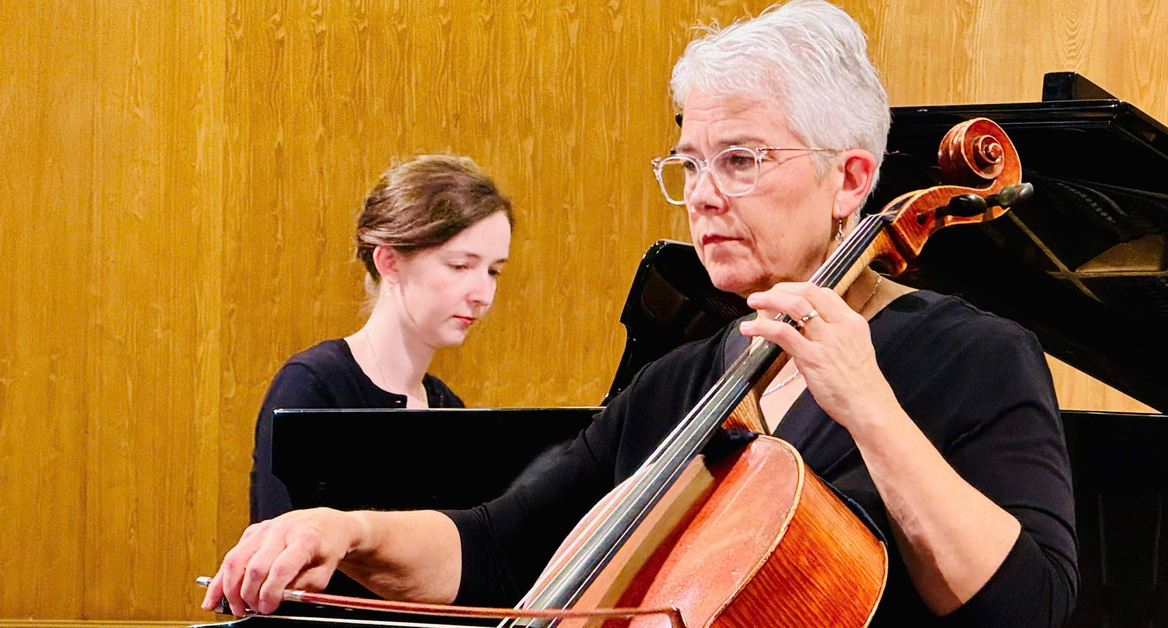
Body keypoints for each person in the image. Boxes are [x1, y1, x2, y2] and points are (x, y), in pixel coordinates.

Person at [207, 2, 1077, 625]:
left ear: (850, 179)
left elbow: (1029, 604)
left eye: (739, 160)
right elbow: (501, 549)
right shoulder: (686, 383)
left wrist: (869, 407)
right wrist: (344, 530)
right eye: (689, 163)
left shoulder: (976, 359)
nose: (702, 196)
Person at [250, 154, 513, 522]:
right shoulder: (313, 388)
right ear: (389, 263)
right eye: (460, 266)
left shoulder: (448, 409)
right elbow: (284, 557)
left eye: (493, 271)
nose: (483, 295)